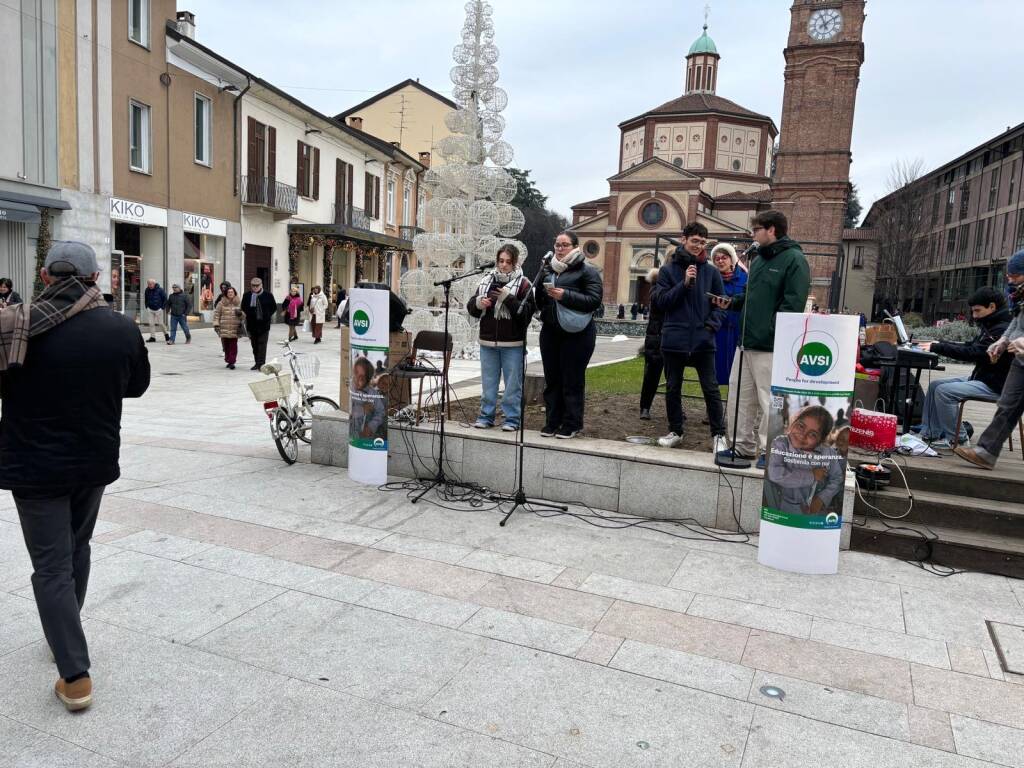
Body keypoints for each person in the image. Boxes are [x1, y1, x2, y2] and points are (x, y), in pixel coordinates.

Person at [0, 241, 150, 712]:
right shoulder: (120, 328)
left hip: (33, 465)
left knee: (50, 565)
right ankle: (66, 635)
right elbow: (138, 386)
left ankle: (75, 674)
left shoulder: (14, 326)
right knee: (77, 547)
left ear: (45, 277)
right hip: (92, 460)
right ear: (95, 279)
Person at [713, 210, 810, 469]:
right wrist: (731, 303)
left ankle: (773, 451)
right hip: (745, 342)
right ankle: (742, 447)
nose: (752, 234)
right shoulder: (758, 261)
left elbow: (793, 304)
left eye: (756, 229)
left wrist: (772, 332)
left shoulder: (794, 259)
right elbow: (750, 296)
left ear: (772, 230)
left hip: (769, 345)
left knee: (770, 400)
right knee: (741, 397)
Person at [651, 222, 727, 451]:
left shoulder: (712, 272)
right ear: (683, 239)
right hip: (674, 340)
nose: (699, 246)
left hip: (703, 341)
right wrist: (684, 284)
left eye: (703, 242)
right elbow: (661, 302)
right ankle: (676, 430)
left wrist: (711, 327)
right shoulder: (667, 271)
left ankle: (718, 436)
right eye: (695, 241)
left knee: (711, 389)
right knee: (673, 387)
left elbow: (720, 304)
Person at [913, 287, 1011, 449]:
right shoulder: (992, 325)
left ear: (992, 307)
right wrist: (939, 344)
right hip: (984, 377)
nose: (974, 315)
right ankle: (930, 433)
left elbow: (975, 353)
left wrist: (938, 348)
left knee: (945, 392)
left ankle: (958, 439)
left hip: (996, 385)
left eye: (978, 311)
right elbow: (970, 346)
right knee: (935, 385)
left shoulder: (1001, 329)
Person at [956, 250, 1024, 470]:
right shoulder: (1020, 295)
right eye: (1009, 276)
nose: (1011, 280)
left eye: (1015, 276)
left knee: (1009, 406)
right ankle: (986, 453)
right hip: (1020, 360)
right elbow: (1016, 322)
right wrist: (1003, 341)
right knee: (1007, 405)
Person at [535, 231, 603, 438]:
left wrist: (565, 295)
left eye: (564, 245)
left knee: (571, 380)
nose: (559, 248)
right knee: (553, 378)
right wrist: (545, 306)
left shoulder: (587, 271)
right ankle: (552, 421)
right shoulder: (547, 270)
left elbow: (594, 301)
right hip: (551, 331)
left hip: (578, 334)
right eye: (557, 244)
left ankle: (572, 424)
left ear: (575, 247)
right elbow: (539, 298)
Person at [467, 244, 533, 431]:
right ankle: (486, 416)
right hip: (488, 341)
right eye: (501, 261)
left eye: (508, 262)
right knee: (488, 382)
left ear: (515, 263)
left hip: (513, 343)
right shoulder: (486, 281)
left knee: (512, 385)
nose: (503, 265)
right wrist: (479, 303)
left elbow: (526, 314)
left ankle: (512, 419)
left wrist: (508, 299)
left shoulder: (524, 284)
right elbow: (472, 308)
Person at [765, 405, 843, 515]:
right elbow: (775, 474)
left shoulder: (827, 452)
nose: (803, 435)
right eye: (801, 426)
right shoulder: (781, 443)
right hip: (788, 507)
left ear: (820, 440)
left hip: (817, 509)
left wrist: (822, 498)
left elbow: (837, 478)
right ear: (793, 422)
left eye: (813, 434)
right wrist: (811, 475)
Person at [710, 243, 747, 387]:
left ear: (731, 259)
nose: (720, 261)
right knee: (715, 371)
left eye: (723, 257)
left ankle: (732, 406)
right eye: (717, 259)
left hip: (738, 331)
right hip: (718, 331)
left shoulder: (744, 278)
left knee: (738, 373)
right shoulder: (712, 279)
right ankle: (714, 405)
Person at [639, 267, 664, 420]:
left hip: (673, 334)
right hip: (656, 334)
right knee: (651, 374)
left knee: (675, 376)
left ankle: (676, 408)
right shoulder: (657, 283)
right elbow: (658, 302)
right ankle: (645, 407)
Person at [241, 277, 276, 370]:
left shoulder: (268, 295)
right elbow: (243, 307)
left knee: (262, 344)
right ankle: (257, 362)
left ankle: (261, 364)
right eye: (253, 286)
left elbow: (274, 307)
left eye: (257, 286)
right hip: (252, 324)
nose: (255, 287)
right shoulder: (247, 295)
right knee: (254, 345)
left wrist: (267, 316)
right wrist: (250, 314)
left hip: (264, 325)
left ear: (261, 285)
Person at [350, 356, 385, 440]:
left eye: (362, 377)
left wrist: (372, 426)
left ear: (368, 379)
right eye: (356, 373)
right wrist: (362, 409)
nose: (357, 378)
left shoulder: (372, 392)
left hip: (365, 434)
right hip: (350, 433)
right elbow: (347, 410)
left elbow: (381, 412)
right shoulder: (350, 388)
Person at [213, 286, 243, 369]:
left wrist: (241, 314)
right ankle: (228, 359)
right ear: (226, 293)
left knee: (233, 345)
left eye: (232, 292)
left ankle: (232, 361)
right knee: (226, 346)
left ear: (234, 293)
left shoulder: (239, 302)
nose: (230, 293)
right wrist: (216, 324)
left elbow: (244, 315)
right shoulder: (221, 303)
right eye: (229, 292)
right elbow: (217, 314)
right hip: (224, 327)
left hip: (235, 327)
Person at [142, 279, 169, 343]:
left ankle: (166, 334)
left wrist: (162, 308)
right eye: (148, 284)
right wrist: (147, 306)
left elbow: (165, 299)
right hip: (150, 309)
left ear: (154, 283)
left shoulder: (160, 290)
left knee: (160, 323)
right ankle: (152, 337)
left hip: (158, 309)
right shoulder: (147, 290)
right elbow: (146, 298)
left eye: (151, 284)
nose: (149, 285)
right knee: (151, 324)